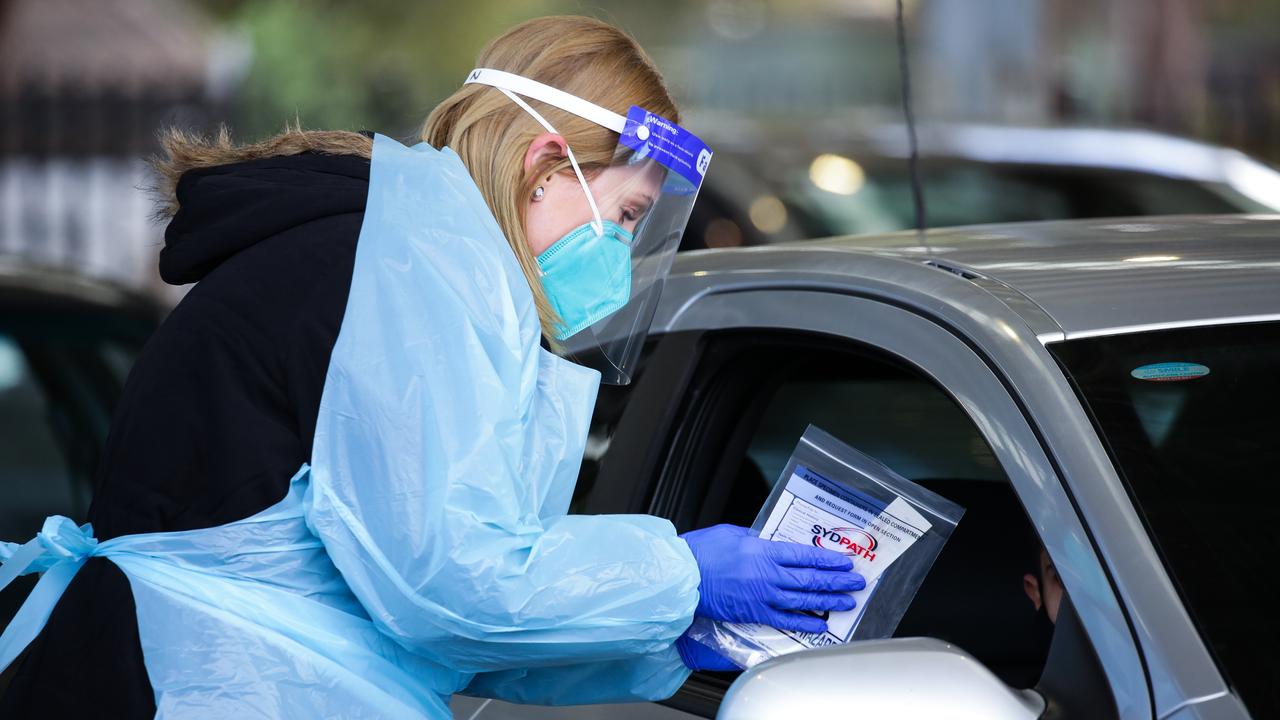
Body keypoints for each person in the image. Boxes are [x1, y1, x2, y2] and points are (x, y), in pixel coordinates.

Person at [0, 16, 864, 718]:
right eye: (629, 215)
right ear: (543, 165)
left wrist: (664, 640)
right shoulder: (418, 266)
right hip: (200, 684)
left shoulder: (410, 251)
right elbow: (451, 583)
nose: (626, 251)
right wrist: (681, 572)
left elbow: (438, 624)